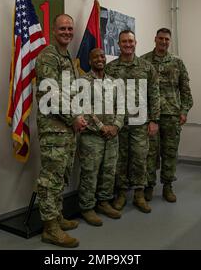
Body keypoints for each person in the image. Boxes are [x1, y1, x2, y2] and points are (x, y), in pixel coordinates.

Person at [35, 14, 87, 248]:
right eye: (62, 28)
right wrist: (73, 117)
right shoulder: (48, 55)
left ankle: (57, 217)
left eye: (70, 28)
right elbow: (50, 95)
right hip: (54, 128)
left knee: (61, 176)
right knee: (51, 178)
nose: (67, 32)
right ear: (53, 31)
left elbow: (69, 94)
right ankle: (50, 229)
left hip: (66, 129)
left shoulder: (66, 56)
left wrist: (79, 116)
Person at [105, 30, 160, 214]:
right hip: (118, 123)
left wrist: (154, 120)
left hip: (140, 122)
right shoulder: (110, 68)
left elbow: (154, 95)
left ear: (135, 42)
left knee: (139, 157)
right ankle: (121, 193)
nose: (127, 44)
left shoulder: (146, 67)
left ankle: (139, 194)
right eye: (124, 42)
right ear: (118, 44)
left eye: (130, 41)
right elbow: (105, 97)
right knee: (120, 159)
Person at [141, 28, 193, 202]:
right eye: (161, 38)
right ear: (155, 39)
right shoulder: (144, 61)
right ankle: (148, 185)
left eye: (167, 39)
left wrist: (184, 111)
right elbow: (139, 92)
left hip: (172, 116)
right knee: (150, 153)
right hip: (150, 117)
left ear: (169, 41)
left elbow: (185, 91)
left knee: (170, 153)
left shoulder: (177, 63)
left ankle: (168, 186)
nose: (163, 42)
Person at [78, 48, 123, 226]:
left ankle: (104, 202)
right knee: (90, 173)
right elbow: (82, 109)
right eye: (95, 56)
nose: (100, 59)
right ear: (89, 61)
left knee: (109, 171)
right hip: (91, 136)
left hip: (112, 135)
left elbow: (121, 107)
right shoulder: (82, 81)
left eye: (102, 56)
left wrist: (116, 126)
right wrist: (101, 126)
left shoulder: (114, 82)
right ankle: (87, 207)